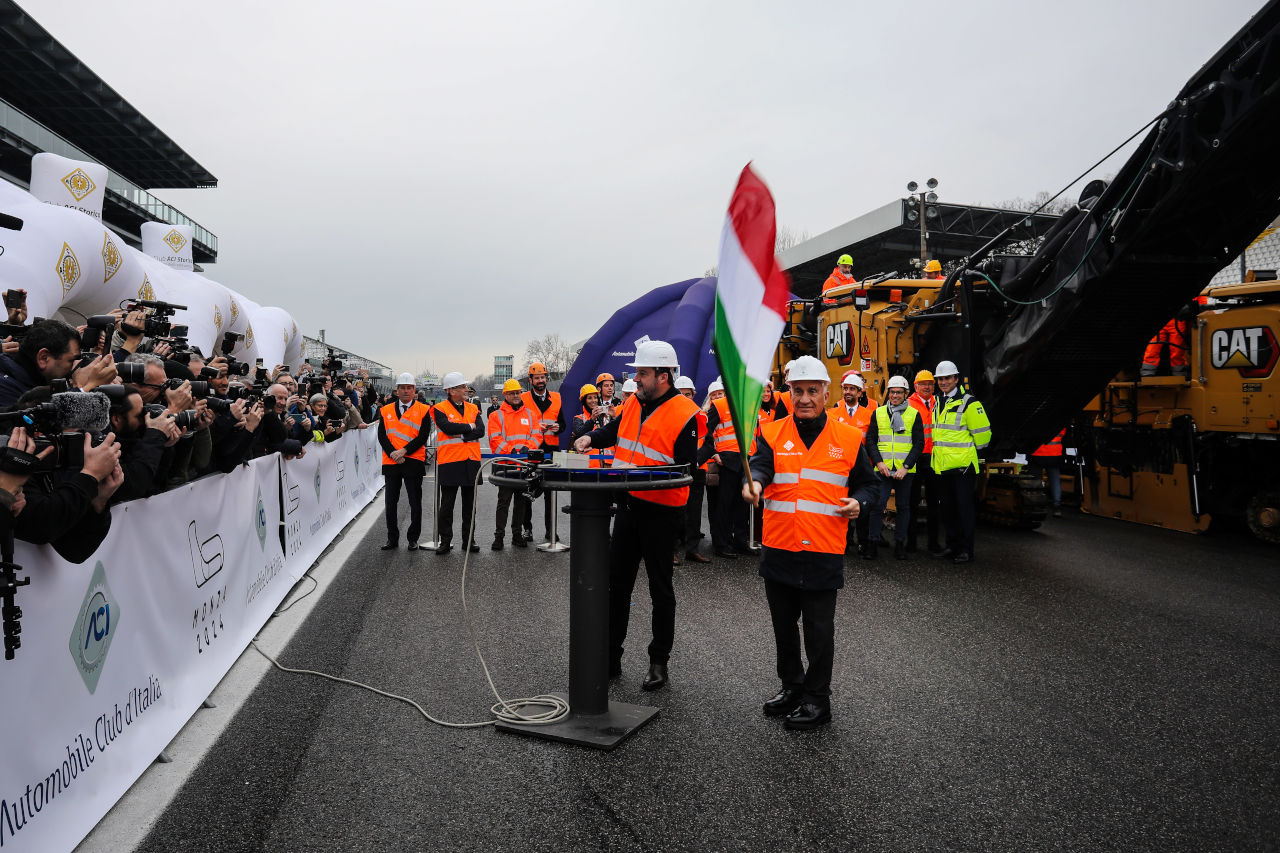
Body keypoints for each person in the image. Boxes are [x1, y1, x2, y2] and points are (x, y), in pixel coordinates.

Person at [742, 355, 878, 730]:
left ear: (825, 393)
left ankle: (818, 701)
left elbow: (869, 484)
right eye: (798, 391)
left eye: (812, 391)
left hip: (822, 550)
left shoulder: (848, 438)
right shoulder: (772, 433)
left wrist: (860, 502)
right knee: (784, 630)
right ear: (789, 393)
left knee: (819, 633)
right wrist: (754, 483)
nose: (804, 398)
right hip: (780, 547)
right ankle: (792, 688)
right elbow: (760, 466)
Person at [574, 340, 700, 692]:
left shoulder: (686, 413)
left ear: (663, 376)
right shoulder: (634, 402)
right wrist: (590, 439)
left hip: (662, 513)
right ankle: (610, 656)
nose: (636, 379)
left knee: (661, 589)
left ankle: (659, 663)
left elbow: (685, 469)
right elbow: (615, 432)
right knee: (617, 586)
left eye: (642, 373)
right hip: (629, 508)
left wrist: (645, 479)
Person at [930, 360, 992, 563]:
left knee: (964, 510)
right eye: (940, 379)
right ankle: (952, 546)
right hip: (942, 466)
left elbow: (983, 436)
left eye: (947, 378)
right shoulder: (937, 401)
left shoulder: (969, 403)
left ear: (956, 379)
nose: (943, 382)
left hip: (963, 468)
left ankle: (965, 550)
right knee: (947, 510)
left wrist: (965, 453)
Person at [864, 375, 925, 560]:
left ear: (905, 394)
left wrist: (906, 467)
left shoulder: (914, 414)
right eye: (892, 392)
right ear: (888, 393)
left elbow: (919, 443)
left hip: (904, 471)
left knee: (903, 507)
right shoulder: (878, 413)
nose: (895, 395)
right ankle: (872, 543)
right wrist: (879, 463)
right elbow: (871, 440)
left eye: (899, 392)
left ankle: (900, 545)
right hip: (882, 469)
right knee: (877, 506)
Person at [699, 375, 756, 559]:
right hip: (728, 460)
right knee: (724, 504)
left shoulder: (747, 405)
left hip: (746, 459)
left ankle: (740, 541)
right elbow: (706, 431)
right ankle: (721, 544)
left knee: (742, 504)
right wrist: (714, 453)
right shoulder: (720, 405)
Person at [378, 373, 432, 550]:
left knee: (415, 503)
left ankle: (413, 538)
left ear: (414, 390)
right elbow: (382, 435)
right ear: (397, 390)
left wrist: (404, 451)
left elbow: (423, 436)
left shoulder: (424, 409)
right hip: (391, 460)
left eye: (409, 388)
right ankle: (392, 538)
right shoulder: (386, 410)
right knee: (390, 503)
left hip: (413, 460)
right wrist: (393, 453)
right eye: (402, 388)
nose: (406, 391)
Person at [434, 371, 484, 554]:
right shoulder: (439, 408)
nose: (466, 389)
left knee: (470, 506)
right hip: (450, 461)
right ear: (451, 390)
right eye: (462, 386)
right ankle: (445, 541)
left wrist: (462, 434)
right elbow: (447, 428)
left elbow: (480, 431)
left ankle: (469, 540)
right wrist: (469, 427)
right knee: (447, 506)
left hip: (471, 461)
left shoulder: (473, 408)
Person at [488, 379, 539, 549]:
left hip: (524, 465)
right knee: (504, 502)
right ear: (505, 395)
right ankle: (499, 537)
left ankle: (517, 535)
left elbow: (537, 435)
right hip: (506, 465)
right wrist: (511, 451)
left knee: (521, 502)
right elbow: (494, 439)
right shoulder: (496, 415)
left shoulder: (530, 414)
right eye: (512, 393)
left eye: (518, 392)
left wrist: (528, 448)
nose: (516, 395)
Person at [831, 370, 876, 554]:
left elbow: (872, 441)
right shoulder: (833, 413)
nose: (847, 392)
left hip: (861, 468)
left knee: (861, 505)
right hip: (840, 467)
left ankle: (863, 543)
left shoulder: (869, 415)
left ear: (860, 392)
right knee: (842, 503)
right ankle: (845, 542)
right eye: (845, 388)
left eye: (852, 389)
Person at [521, 362, 564, 544]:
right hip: (531, 449)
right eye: (537, 378)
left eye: (543, 377)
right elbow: (519, 423)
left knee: (550, 491)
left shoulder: (557, 398)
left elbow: (563, 423)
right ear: (531, 380)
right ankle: (527, 529)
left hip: (551, 449)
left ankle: (550, 530)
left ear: (547, 378)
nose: (540, 380)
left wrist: (558, 427)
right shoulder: (523, 398)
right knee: (527, 489)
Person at [673, 375, 710, 564]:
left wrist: (696, 461)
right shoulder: (670, 416)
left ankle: (692, 549)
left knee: (694, 512)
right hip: (677, 469)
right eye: (681, 394)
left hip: (697, 469)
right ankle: (672, 550)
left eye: (687, 394)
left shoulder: (700, 415)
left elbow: (709, 443)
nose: (685, 397)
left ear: (693, 395)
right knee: (675, 510)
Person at [906, 369, 941, 553]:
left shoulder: (939, 403)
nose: (927, 387)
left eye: (930, 384)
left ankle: (933, 544)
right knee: (912, 502)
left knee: (934, 503)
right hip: (915, 458)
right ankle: (910, 543)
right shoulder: (907, 404)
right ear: (915, 386)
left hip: (934, 458)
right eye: (923, 384)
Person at [1027, 429, 1066, 517]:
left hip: (1037, 454)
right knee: (1055, 481)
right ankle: (1057, 507)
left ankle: (1035, 504)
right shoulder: (1060, 424)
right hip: (1054, 455)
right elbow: (1063, 434)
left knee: (1035, 481)